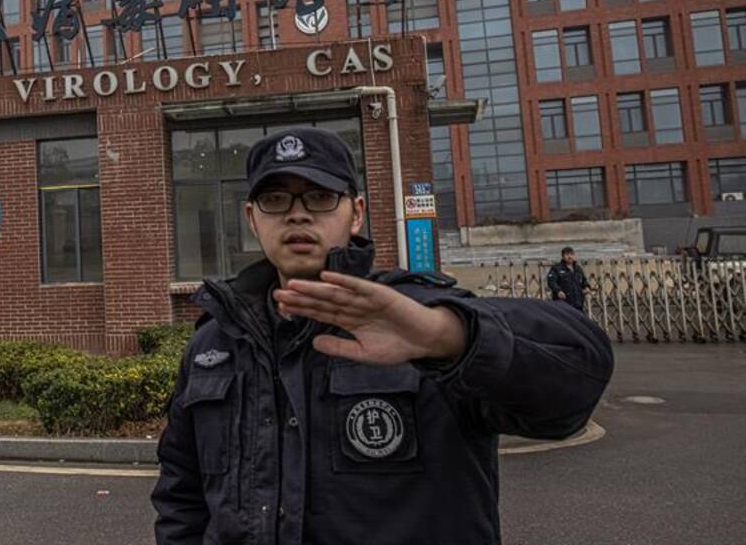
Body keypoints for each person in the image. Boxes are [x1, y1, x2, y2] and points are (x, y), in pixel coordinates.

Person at [152, 127, 613, 545]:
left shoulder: (421, 318)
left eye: (318, 197)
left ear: (355, 214)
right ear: (252, 219)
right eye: (276, 201)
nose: (296, 216)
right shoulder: (215, 343)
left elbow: (576, 383)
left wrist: (448, 337)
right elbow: (182, 495)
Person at [547, 246, 590, 313]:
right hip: (563, 303)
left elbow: (584, 280)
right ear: (563, 256)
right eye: (567, 255)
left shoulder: (578, 268)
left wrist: (586, 287)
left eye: (571, 254)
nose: (569, 257)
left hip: (578, 303)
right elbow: (551, 282)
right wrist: (558, 291)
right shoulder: (556, 269)